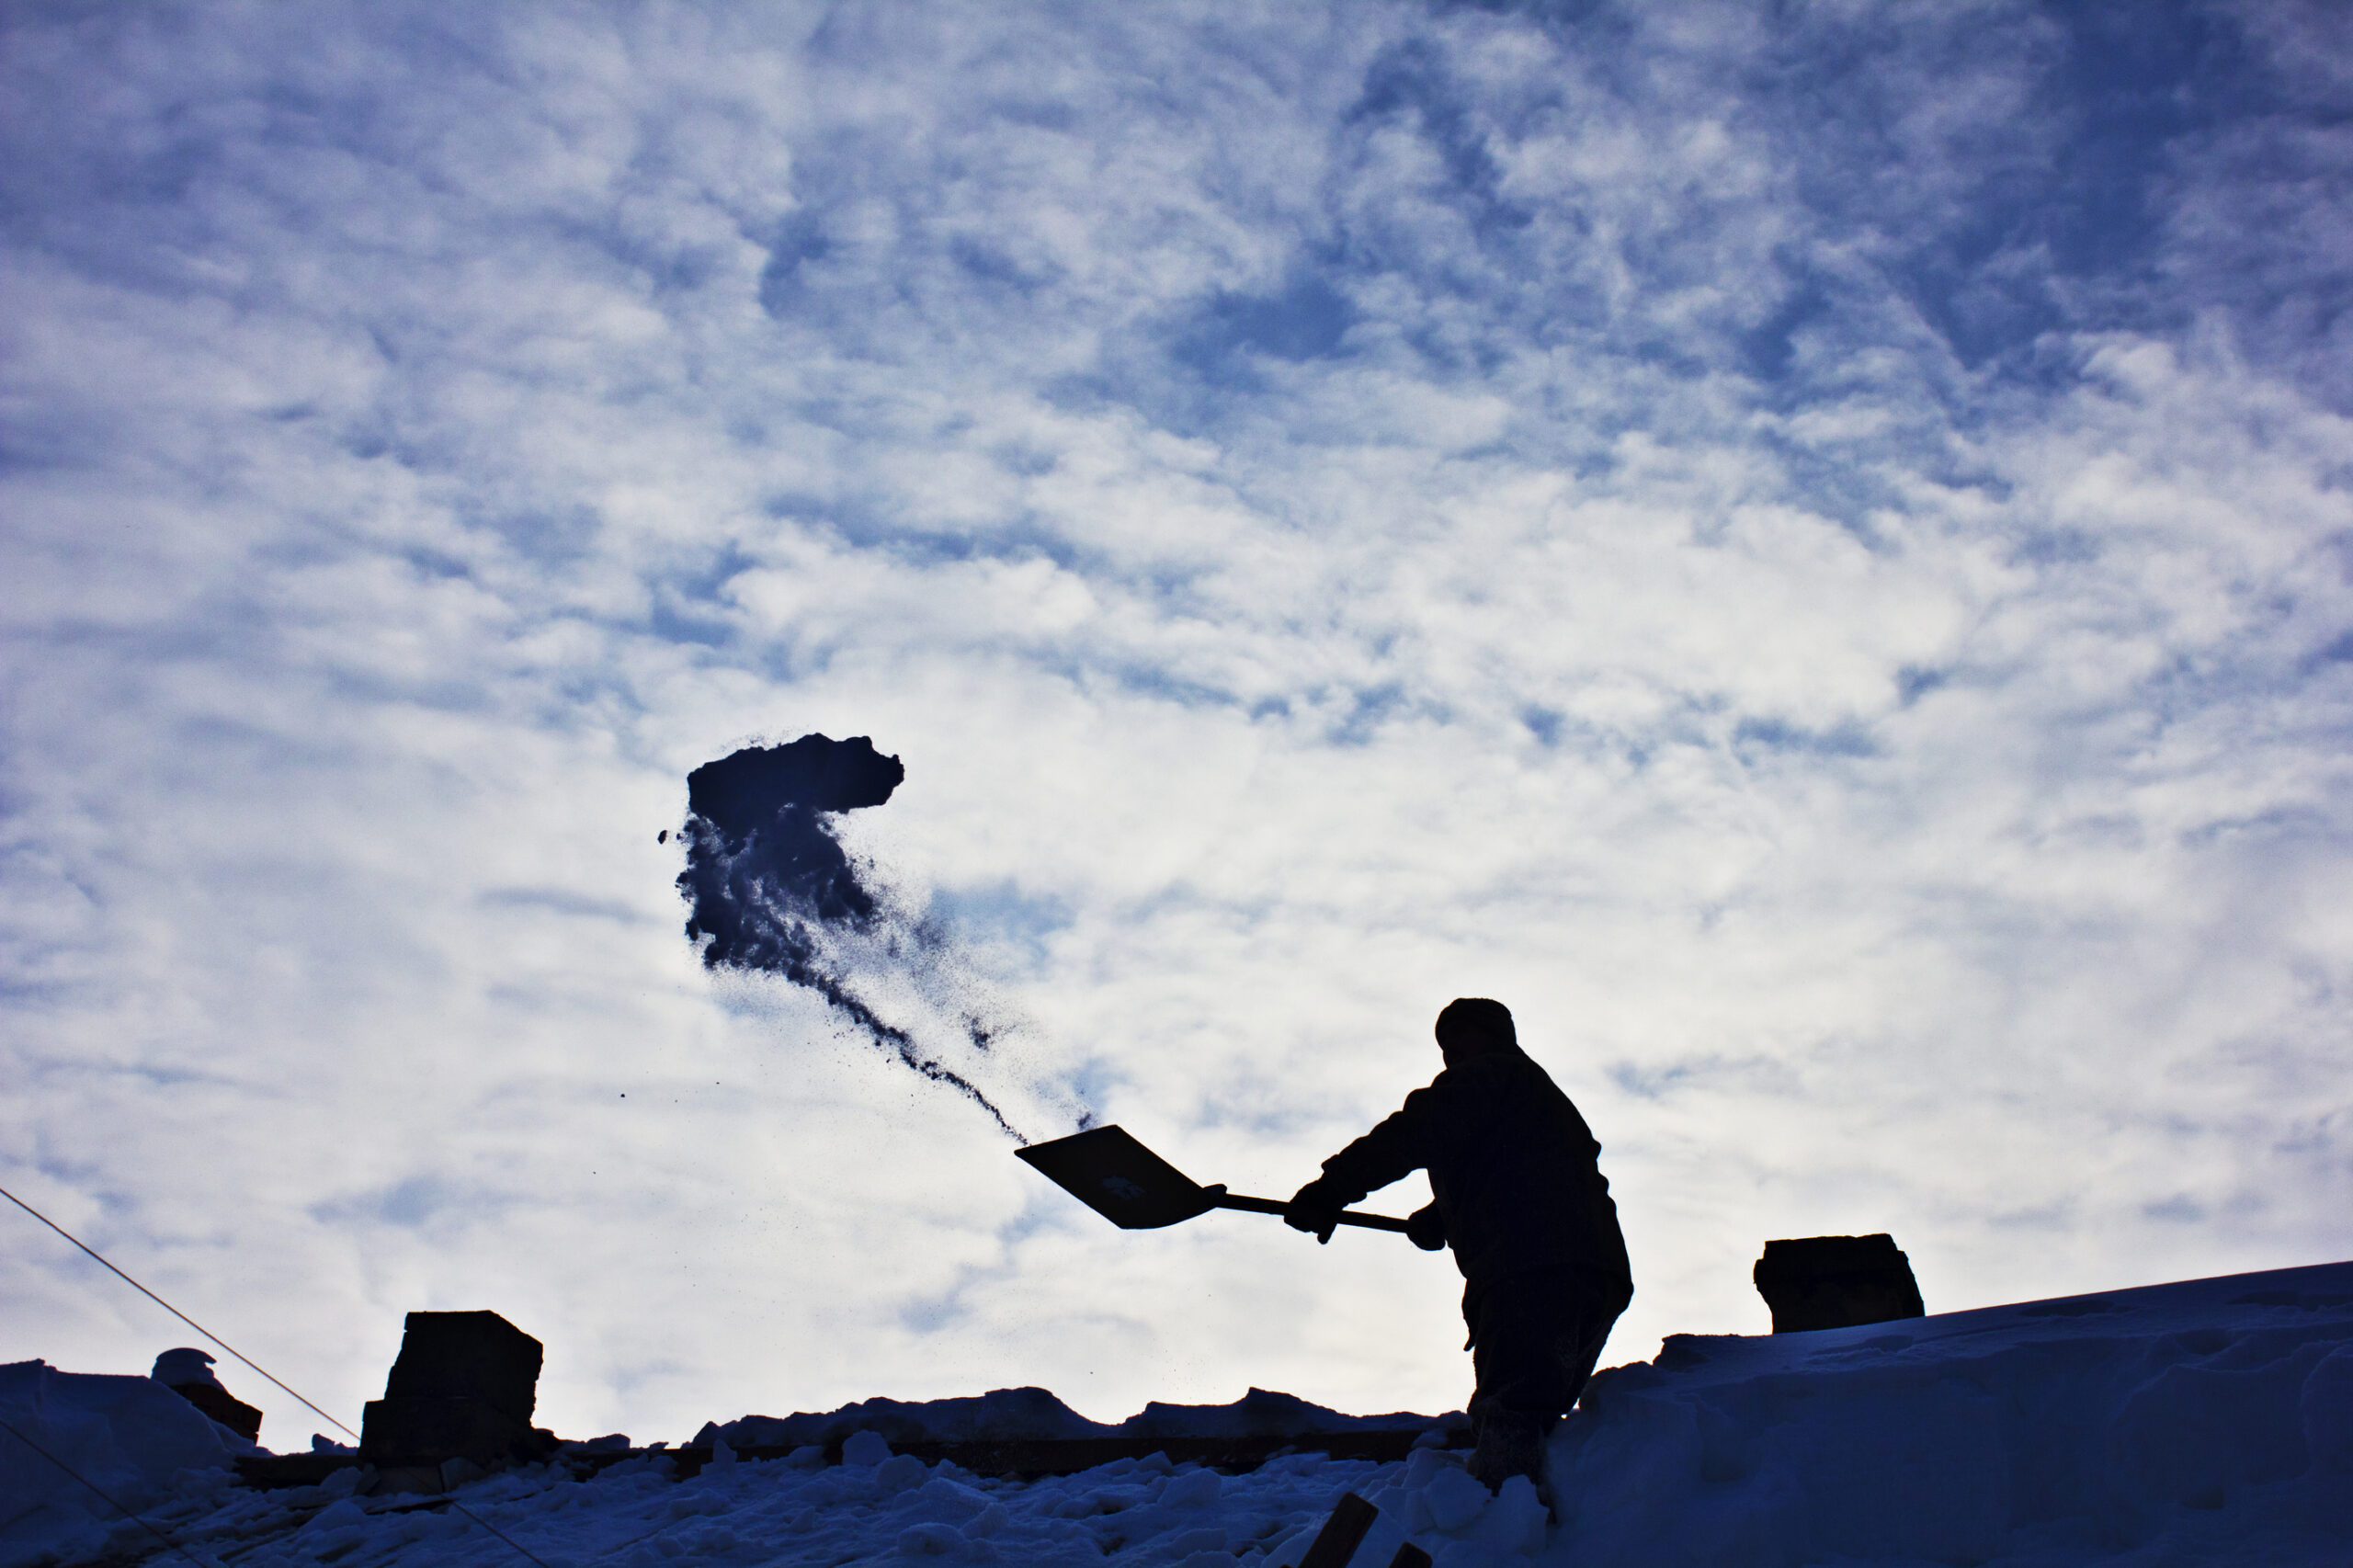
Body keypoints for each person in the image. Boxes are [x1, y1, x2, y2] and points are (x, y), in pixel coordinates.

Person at [1284, 998, 1632, 1495]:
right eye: (1443, 1046)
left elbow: (1415, 1131)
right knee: (1536, 1412)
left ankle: (1502, 1531)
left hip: (1533, 1268)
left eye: (1457, 1040)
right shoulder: (1533, 1096)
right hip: (1594, 1274)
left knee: (1510, 1412)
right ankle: (1541, 1527)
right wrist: (1445, 1217)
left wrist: (1331, 1189)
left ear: (1491, 1035)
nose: (1448, 1055)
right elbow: (1525, 1173)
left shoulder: (1487, 1076)